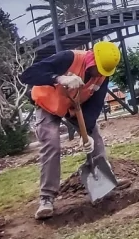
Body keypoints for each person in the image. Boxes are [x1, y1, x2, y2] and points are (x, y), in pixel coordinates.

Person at [19, 41, 126, 220]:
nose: (99, 74)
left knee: (96, 137)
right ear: (92, 59)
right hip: (48, 104)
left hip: (74, 106)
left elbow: (95, 105)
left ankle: (106, 181)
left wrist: (88, 133)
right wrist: (59, 78)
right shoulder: (68, 58)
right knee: (52, 143)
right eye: (98, 69)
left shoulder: (103, 74)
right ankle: (46, 198)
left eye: (103, 72)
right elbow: (27, 75)